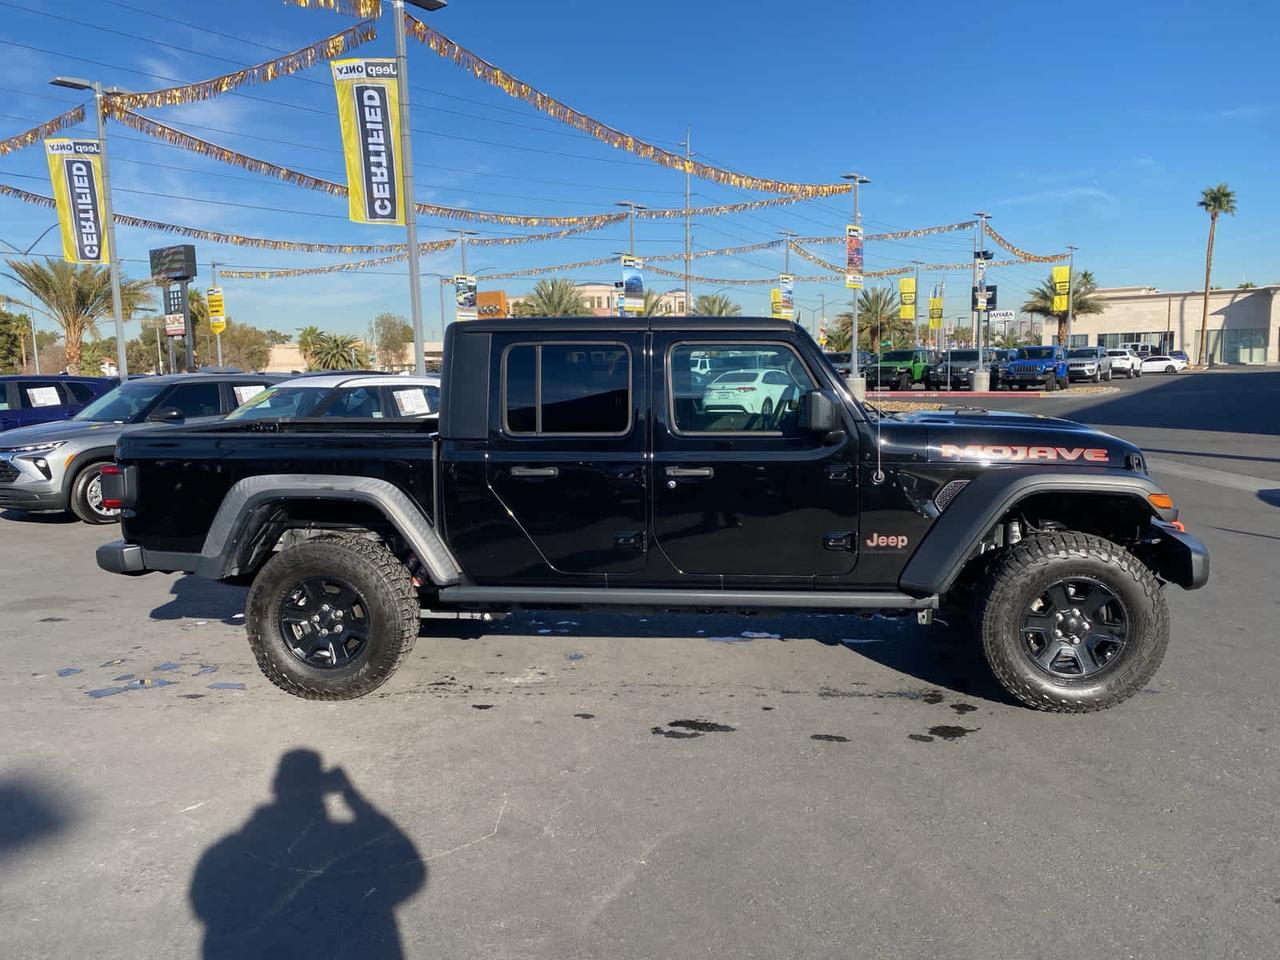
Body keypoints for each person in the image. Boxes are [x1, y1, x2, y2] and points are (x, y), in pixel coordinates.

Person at [190, 749, 425, 959]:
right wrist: (350, 793)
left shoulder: (231, 847)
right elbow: (407, 865)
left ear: (276, 785)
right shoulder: (340, 837)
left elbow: (204, 899)